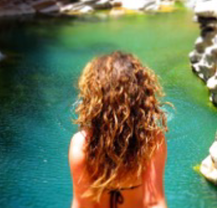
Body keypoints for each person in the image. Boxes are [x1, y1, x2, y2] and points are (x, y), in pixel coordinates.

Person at [69, 51, 168, 208]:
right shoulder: (152, 140)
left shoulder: (82, 144)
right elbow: (154, 202)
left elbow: (82, 205)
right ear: (140, 95)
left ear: (94, 98)